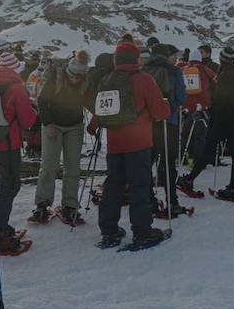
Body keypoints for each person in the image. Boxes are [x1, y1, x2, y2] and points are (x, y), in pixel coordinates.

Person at [94, 41, 170, 248]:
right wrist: (166, 106)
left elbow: (99, 113)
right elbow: (159, 112)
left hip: (115, 143)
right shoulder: (144, 79)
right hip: (139, 142)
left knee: (113, 186)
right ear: (136, 58)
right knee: (139, 187)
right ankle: (143, 231)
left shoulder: (106, 80)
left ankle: (108, 231)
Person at [0, 50, 37, 252]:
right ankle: (0, 230)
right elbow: (28, 120)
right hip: (8, 145)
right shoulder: (17, 88)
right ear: (15, 69)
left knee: (3, 186)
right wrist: (34, 112)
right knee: (9, 187)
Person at [179, 49, 234, 198]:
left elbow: (219, 101)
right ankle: (232, 187)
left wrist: (211, 116)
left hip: (223, 120)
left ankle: (190, 179)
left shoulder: (224, 77)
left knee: (208, 149)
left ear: (222, 60)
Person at [33, 51, 92, 224]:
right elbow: (42, 100)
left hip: (75, 126)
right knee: (49, 165)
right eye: (73, 76)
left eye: (79, 77)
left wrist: (101, 116)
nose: (75, 80)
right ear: (68, 71)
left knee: (73, 167)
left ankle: (70, 205)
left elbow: (90, 101)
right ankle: (42, 204)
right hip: (54, 125)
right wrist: (48, 123)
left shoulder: (85, 80)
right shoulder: (56, 77)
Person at [144, 44, 188, 216]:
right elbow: (181, 96)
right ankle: (172, 202)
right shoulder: (174, 70)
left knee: (148, 161)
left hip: (148, 122)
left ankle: (150, 200)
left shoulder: (143, 70)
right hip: (169, 122)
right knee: (168, 164)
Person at [180, 49, 216, 166]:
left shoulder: (183, 70)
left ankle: (182, 159)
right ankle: (197, 161)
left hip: (186, 107)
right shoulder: (205, 70)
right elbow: (216, 80)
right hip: (201, 107)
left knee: (185, 134)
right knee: (199, 136)